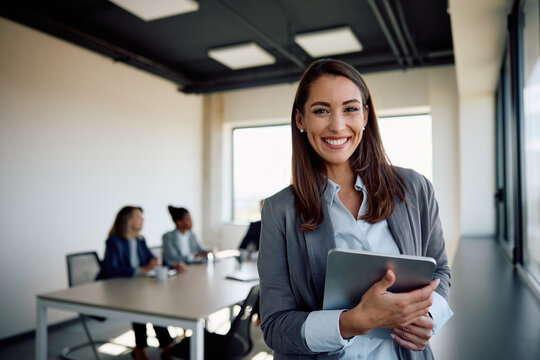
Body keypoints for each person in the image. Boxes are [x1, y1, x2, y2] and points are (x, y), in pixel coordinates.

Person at [257, 59, 453, 360]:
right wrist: (352, 322)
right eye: (321, 110)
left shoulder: (415, 189)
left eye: (350, 108)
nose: (337, 125)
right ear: (300, 120)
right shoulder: (279, 210)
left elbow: (440, 271)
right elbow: (275, 326)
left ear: (365, 116)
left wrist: (429, 319)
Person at [97, 206, 174, 360]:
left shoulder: (140, 240)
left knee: (148, 302)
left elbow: (150, 258)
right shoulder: (114, 241)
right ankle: (164, 346)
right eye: (138, 216)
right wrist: (143, 269)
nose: (143, 220)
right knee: (145, 304)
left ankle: (147, 347)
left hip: (137, 287)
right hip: (116, 289)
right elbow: (111, 270)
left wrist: (162, 263)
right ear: (128, 220)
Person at [162, 206, 208, 270]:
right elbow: (173, 258)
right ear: (179, 222)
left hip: (192, 267)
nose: (191, 222)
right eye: (188, 219)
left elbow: (201, 250)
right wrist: (194, 256)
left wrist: (207, 252)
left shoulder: (192, 235)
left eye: (191, 219)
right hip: (176, 269)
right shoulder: (168, 236)